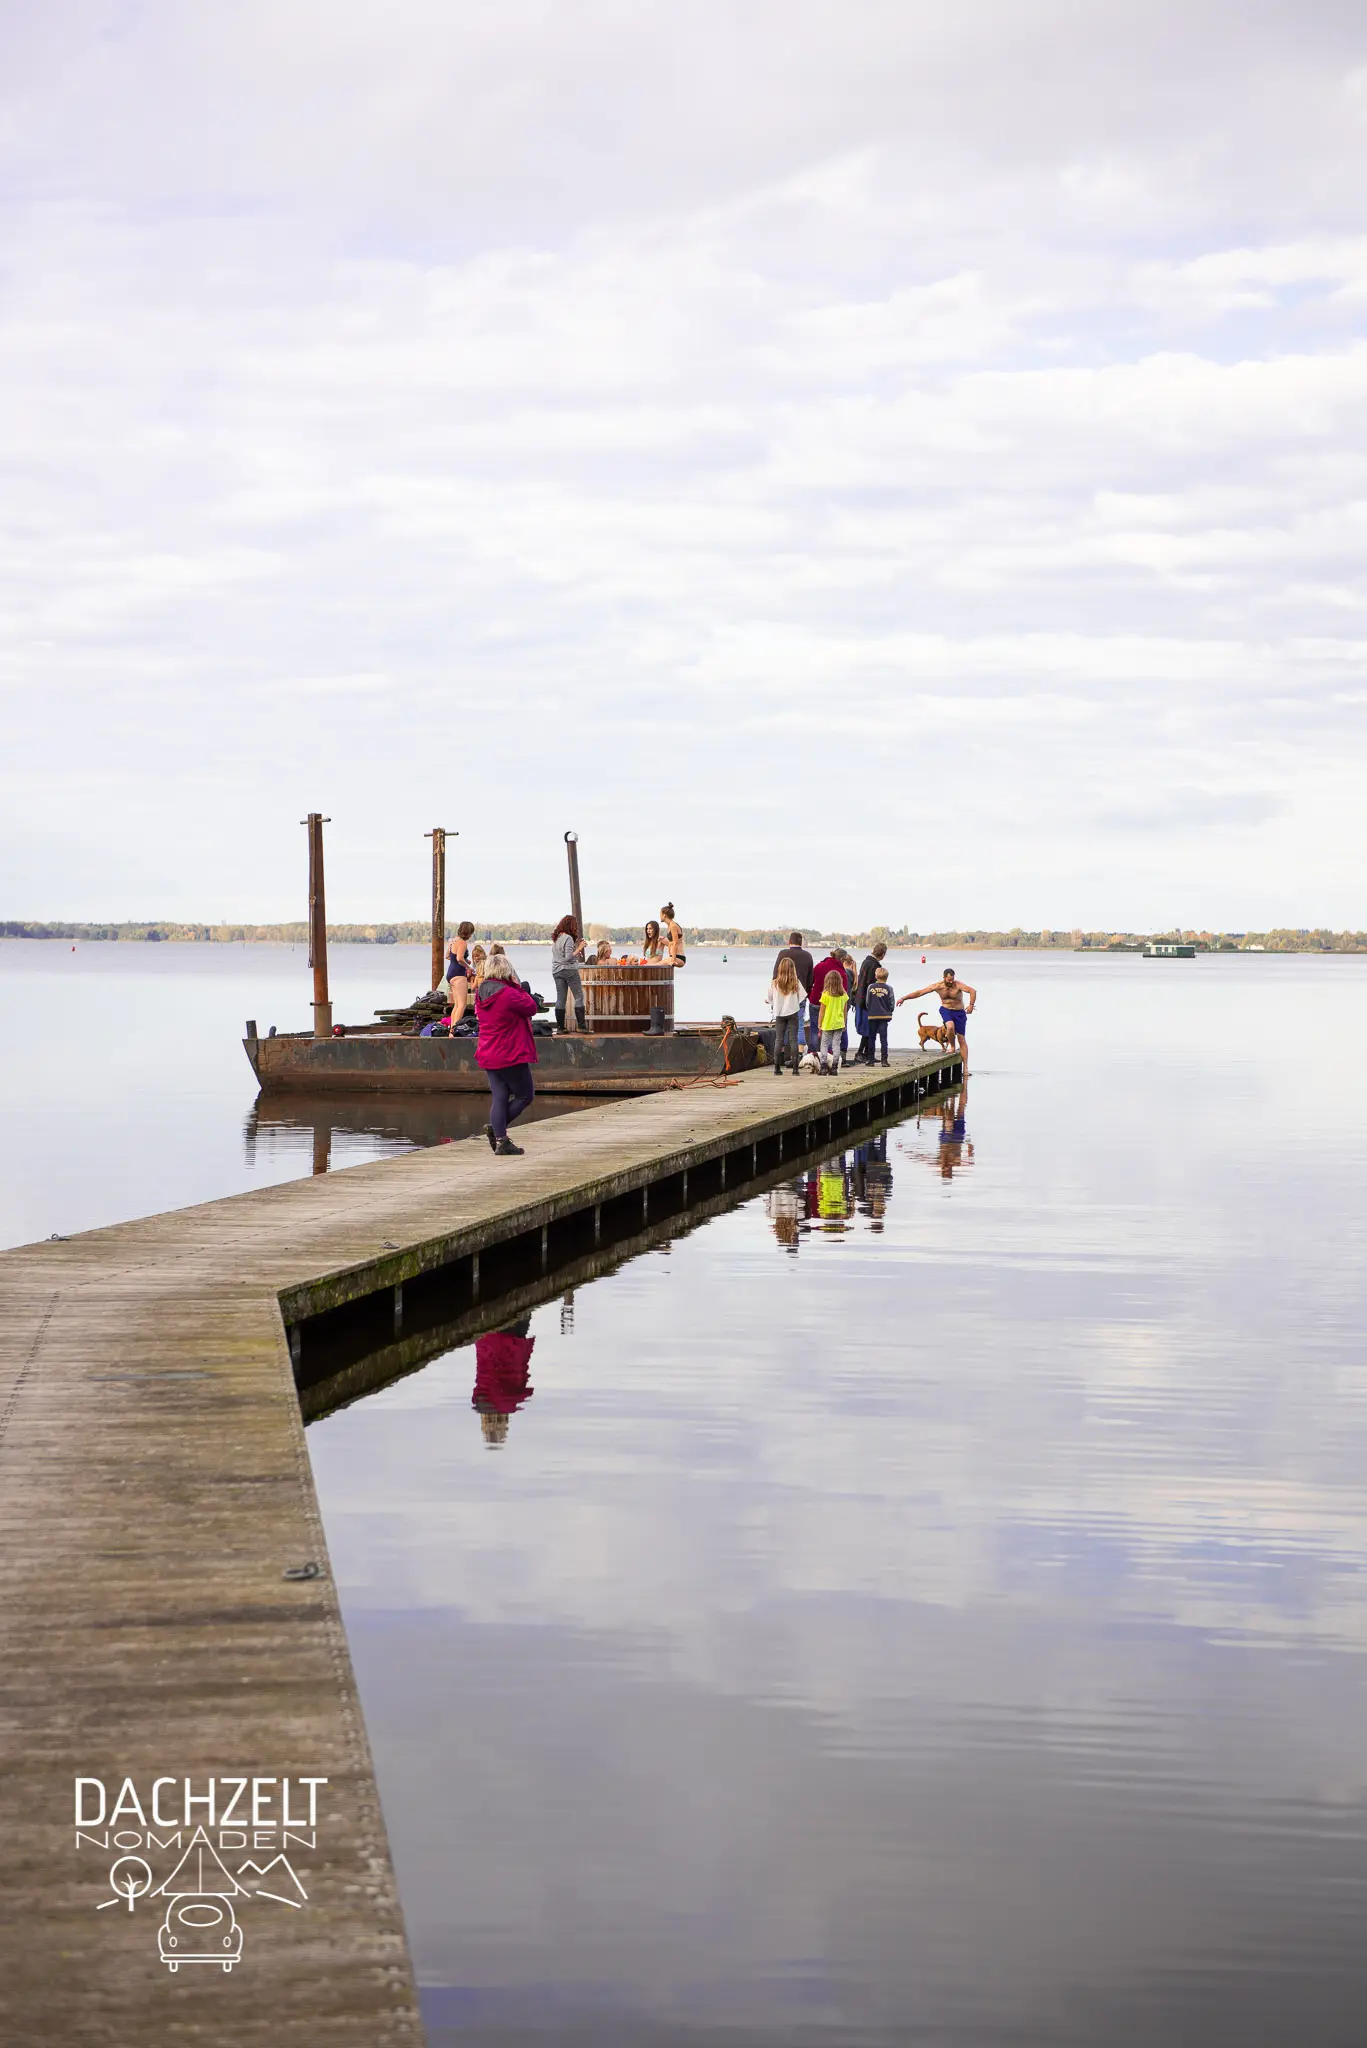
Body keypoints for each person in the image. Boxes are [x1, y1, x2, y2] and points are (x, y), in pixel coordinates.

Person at [475, 953, 539, 1155]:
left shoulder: (481, 992)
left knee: (501, 1096)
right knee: (525, 1095)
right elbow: (531, 1007)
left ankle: (501, 1139)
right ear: (506, 972)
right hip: (509, 1053)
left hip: (488, 1052)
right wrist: (518, 986)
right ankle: (497, 1131)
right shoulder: (509, 994)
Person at [472, 1317, 535, 1446]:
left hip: (514, 1334)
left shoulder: (512, 1401)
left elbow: (527, 1389)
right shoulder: (479, 1399)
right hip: (486, 1335)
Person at [898, 965, 976, 1069]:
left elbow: (972, 991)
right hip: (946, 1010)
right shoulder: (938, 986)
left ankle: (966, 1068)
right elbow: (920, 992)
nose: (951, 982)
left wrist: (971, 1005)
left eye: (952, 980)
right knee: (950, 1026)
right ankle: (952, 1046)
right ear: (944, 978)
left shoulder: (958, 985)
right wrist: (904, 998)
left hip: (959, 1012)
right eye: (949, 980)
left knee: (961, 1039)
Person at [772, 932, 814, 1048]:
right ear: (802, 943)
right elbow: (811, 979)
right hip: (800, 994)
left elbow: (775, 975)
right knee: (800, 1023)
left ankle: (783, 1052)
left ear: (789, 942)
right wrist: (807, 993)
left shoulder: (783, 954)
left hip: (782, 994)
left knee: (782, 1024)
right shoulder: (808, 956)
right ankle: (800, 1052)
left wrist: (774, 993)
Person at [766, 954, 803, 1075]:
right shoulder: (796, 983)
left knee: (779, 1039)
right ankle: (795, 1069)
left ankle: (777, 1068)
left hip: (779, 1013)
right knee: (793, 1039)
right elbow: (801, 997)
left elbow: (769, 998)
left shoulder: (774, 983)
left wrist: (770, 1001)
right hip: (792, 1012)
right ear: (793, 969)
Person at [852, 942, 888, 1061]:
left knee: (869, 1028)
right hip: (866, 1002)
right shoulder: (873, 965)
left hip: (860, 999)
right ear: (882, 954)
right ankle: (860, 1053)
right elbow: (871, 986)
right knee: (868, 1028)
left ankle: (867, 1053)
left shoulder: (867, 962)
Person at [809, 946, 848, 1052]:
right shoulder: (841, 972)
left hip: (815, 1000)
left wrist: (810, 995)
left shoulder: (819, 966)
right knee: (830, 1031)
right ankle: (829, 1054)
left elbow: (810, 982)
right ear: (842, 959)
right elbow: (844, 992)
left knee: (814, 1029)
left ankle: (813, 1053)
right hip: (832, 1006)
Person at [550, 915, 586, 1031]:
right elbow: (568, 957)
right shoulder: (568, 938)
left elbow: (561, 956)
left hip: (556, 971)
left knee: (561, 998)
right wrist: (580, 948)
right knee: (579, 996)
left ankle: (560, 1028)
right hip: (569, 970)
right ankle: (581, 1027)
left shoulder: (557, 938)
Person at [445, 920, 477, 1025]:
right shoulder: (462, 943)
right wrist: (469, 967)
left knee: (456, 1005)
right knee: (462, 1005)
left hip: (450, 974)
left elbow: (448, 956)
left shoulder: (453, 941)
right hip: (459, 974)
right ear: (468, 932)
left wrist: (464, 960)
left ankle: (451, 1030)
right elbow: (459, 958)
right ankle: (455, 1030)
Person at [817, 967, 848, 1074]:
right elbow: (845, 1012)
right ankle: (835, 1067)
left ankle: (823, 1066)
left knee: (824, 1045)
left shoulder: (825, 995)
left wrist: (819, 1023)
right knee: (836, 1045)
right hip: (839, 1023)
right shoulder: (844, 995)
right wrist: (844, 1023)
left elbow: (822, 1011)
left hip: (827, 1023)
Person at [864, 965, 895, 1065]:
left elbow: (867, 1002)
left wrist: (870, 1009)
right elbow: (891, 1002)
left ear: (876, 976)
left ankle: (871, 1060)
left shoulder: (870, 987)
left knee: (871, 1037)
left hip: (872, 1015)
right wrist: (890, 1010)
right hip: (884, 1016)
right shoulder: (889, 988)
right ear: (887, 977)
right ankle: (884, 1060)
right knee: (883, 1038)